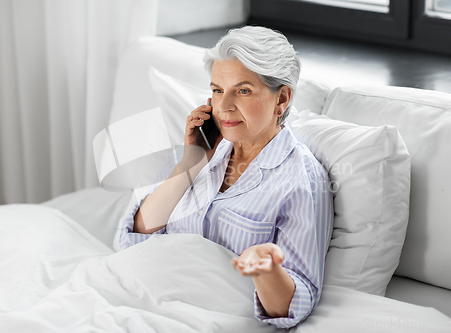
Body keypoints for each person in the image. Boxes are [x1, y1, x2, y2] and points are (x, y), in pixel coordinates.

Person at [119, 26, 334, 329]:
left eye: (243, 91)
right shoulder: (203, 149)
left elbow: (293, 306)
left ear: (282, 99)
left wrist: (265, 270)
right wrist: (189, 165)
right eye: (218, 90)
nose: (223, 106)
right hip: (137, 298)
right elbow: (134, 238)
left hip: (202, 321)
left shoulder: (300, 181)